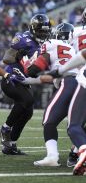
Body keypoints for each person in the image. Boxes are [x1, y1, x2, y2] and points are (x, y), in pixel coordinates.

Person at [24, 22, 78, 166]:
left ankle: (53, 157)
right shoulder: (72, 49)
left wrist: (29, 67)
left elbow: (37, 67)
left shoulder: (51, 43)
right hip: (80, 84)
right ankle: (76, 155)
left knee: (49, 120)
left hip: (68, 83)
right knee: (76, 125)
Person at [0, 14, 52, 155]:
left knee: (28, 112)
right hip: (11, 79)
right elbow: (6, 58)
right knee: (27, 100)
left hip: (25, 81)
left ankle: (11, 146)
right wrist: (17, 56)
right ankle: (5, 128)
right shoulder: (23, 39)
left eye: (45, 32)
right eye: (40, 31)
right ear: (33, 29)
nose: (43, 34)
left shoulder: (47, 43)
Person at [47, 9, 86, 175]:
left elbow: (81, 54)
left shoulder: (76, 32)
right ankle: (76, 152)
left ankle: (80, 151)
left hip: (81, 78)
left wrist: (61, 70)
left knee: (74, 125)